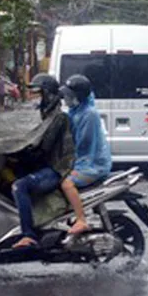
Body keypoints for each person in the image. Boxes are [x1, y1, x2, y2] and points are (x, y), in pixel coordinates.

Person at [11, 73, 74, 249]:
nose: (35, 98)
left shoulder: (58, 118)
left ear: (48, 95)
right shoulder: (49, 116)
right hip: (48, 166)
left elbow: (43, 148)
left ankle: (28, 235)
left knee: (19, 186)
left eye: (38, 94)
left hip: (57, 169)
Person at [59, 74, 112, 235]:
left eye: (69, 96)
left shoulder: (89, 114)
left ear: (78, 97)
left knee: (66, 183)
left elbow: (84, 144)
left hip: (92, 164)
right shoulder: (75, 111)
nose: (66, 99)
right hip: (82, 161)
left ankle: (81, 219)